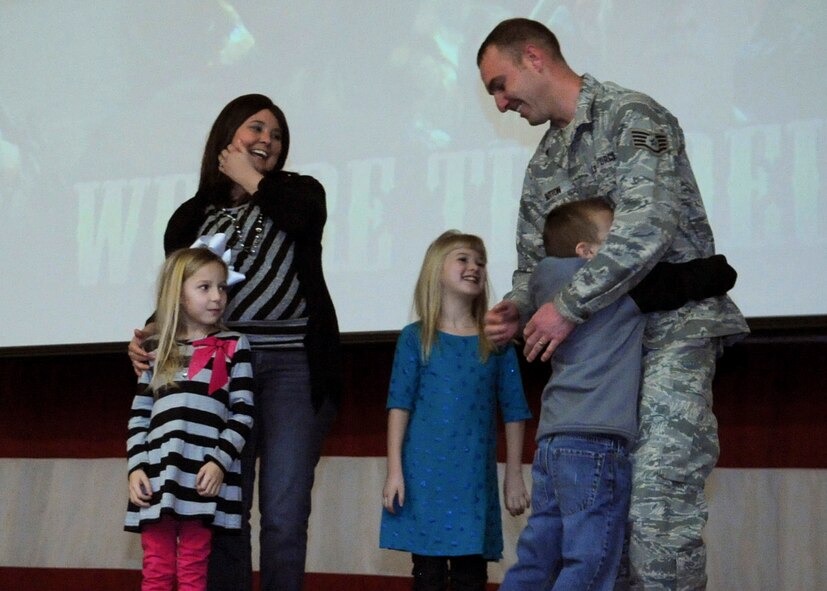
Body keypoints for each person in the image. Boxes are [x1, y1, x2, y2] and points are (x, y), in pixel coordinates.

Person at [477, 18, 749, 590]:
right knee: (602, 524)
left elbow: (648, 226)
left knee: (656, 506)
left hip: (671, 331)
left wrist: (567, 306)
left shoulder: (633, 116)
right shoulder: (542, 165)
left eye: (501, 84)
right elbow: (533, 265)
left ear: (533, 57)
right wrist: (516, 306)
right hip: (600, 359)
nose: (500, 103)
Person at [128, 94, 342, 591]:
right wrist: (149, 335)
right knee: (224, 512)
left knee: (285, 514)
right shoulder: (190, 216)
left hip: (294, 366)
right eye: (256, 129)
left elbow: (301, 221)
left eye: (277, 134)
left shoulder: (301, 192)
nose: (268, 140)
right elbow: (178, 290)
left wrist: (250, 178)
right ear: (228, 136)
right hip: (216, 372)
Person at [502, 199, 738, 590]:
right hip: (596, 444)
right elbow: (717, 274)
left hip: (551, 444)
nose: (628, 246)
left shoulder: (543, 290)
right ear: (589, 252)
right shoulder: (616, 289)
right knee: (591, 564)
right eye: (617, 236)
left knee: (538, 555)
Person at [379, 230, 532, 591]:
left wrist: (513, 474)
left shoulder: (496, 342)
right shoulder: (416, 338)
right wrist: (394, 472)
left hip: (472, 484)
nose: (474, 267)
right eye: (463, 259)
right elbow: (398, 406)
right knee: (428, 574)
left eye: (480, 262)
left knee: (470, 575)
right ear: (437, 270)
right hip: (424, 478)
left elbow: (514, 411)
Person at [125, 247, 255, 591]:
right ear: (178, 295)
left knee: (195, 568)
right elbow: (140, 417)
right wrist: (136, 466)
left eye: (222, 287)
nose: (217, 297)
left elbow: (243, 412)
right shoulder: (157, 348)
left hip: (203, 476)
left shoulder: (234, 344)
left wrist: (218, 463)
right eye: (205, 287)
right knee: (157, 566)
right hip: (158, 475)